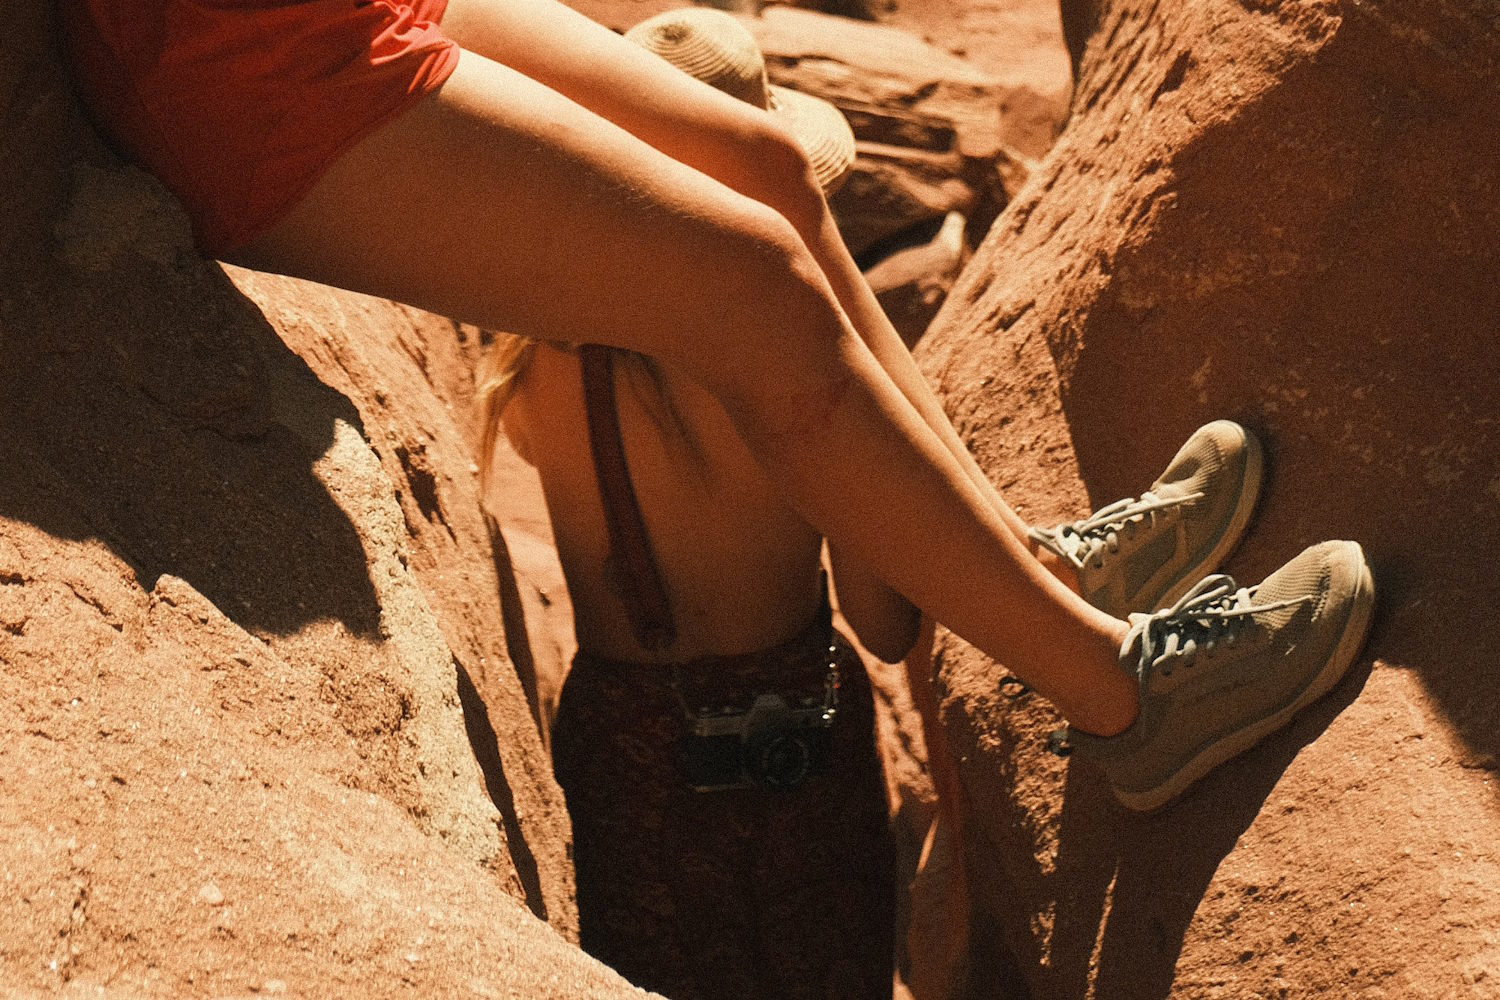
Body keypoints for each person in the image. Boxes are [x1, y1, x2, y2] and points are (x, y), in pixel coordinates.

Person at [60, 0, 1374, 956]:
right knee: (757, 287)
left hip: (626, 743)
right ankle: (1124, 694)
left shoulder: (530, 386)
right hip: (245, 55)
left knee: (767, 174)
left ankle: (1031, 564)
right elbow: (879, 621)